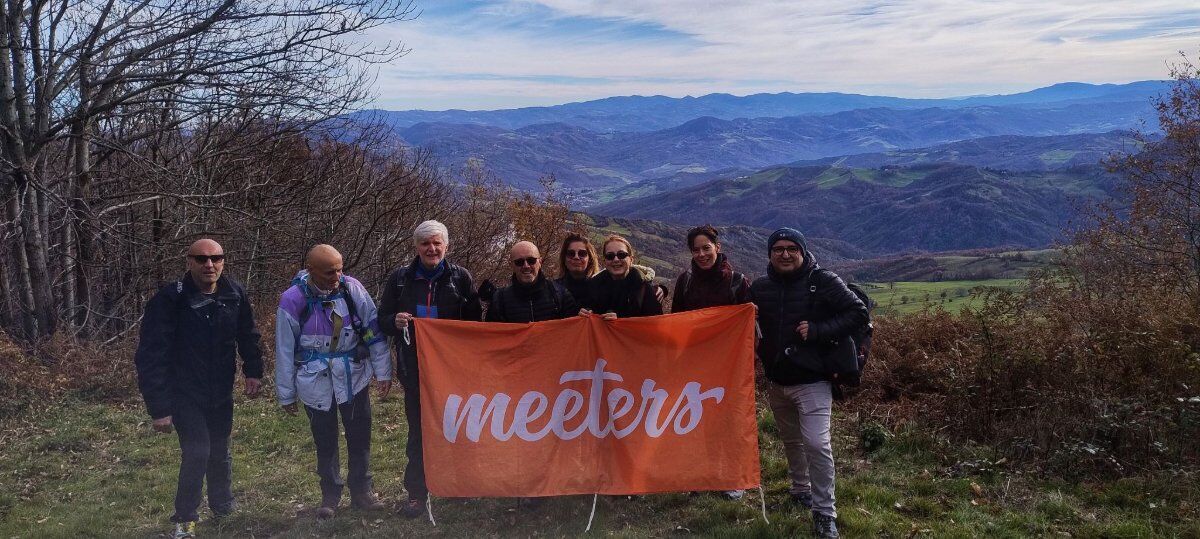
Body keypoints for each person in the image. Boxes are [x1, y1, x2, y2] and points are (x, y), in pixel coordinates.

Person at [134, 239, 263, 539]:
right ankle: (185, 520)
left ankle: (222, 506)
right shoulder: (169, 300)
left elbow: (248, 334)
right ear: (189, 262)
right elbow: (151, 355)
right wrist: (159, 408)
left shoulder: (234, 294)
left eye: (216, 258)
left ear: (223, 261)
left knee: (219, 449)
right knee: (197, 451)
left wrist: (253, 372)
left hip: (220, 391)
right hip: (184, 393)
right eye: (202, 259)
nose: (209, 265)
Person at [750, 228, 868, 539]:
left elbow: (858, 311)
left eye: (791, 248)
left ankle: (825, 513)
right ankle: (800, 489)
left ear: (803, 252)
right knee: (791, 441)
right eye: (778, 249)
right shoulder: (760, 288)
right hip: (777, 382)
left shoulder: (823, 281)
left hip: (813, 381)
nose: (785, 254)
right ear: (770, 254)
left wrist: (818, 330)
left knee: (817, 444)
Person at [275, 244, 392, 520]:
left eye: (340, 269)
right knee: (325, 440)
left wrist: (383, 372)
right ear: (311, 270)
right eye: (329, 272)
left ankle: (362, 490)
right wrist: (286, 394)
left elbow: (373, 329)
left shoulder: (352, 289)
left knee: (359, 436)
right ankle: (330, 494)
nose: (336, 276)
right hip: (315, 380)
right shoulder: (292, 300)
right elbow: (284, 348)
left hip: (354, 375)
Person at [378, 220, 483, 518]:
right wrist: (393, 322)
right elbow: (381, 318)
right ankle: (416, 493)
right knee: (419, 434)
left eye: (437, 243)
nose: (431, 248)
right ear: (416, 247)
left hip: (454, 373)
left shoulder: (460, 278)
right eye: (425, 243)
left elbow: (475, 323)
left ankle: (459, 486)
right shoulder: (400, 279)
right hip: (416, 373)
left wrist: (485, 301)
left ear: (446, 246)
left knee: (458, 429)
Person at [670, 225, 751, 500]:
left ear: (717, 247)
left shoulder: (738, 282)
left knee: (729, 419)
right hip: (695, 364)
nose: (702, 254)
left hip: (729, 365)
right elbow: (676, 321)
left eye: (707, 248)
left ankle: (731, 477)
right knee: (698, 419)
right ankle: (701, 475)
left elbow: (750, 328)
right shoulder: (685, 281)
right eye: (696, 249)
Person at [487, 241, 581, 323]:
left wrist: (585, 316)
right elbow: (491, 338)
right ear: (511, 265)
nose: (526, 266)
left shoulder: (561, 296)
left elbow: (576, 333)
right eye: (519, 262)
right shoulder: (499, 301)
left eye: (531, 260)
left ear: (540, 262)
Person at [587, 234, 663, 319]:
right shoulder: (593, 286)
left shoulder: (644, 289)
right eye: (610, 256)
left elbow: (655, 325)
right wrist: (586, 312)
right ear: (605, 261)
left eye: (621, 255)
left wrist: (620, 320)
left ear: (631, 259)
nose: (616, 259)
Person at [555, 232, 600, 310]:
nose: (576, 257)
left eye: (582, 253)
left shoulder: (601, 288)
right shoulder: (554, 289)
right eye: (571, 253)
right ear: (564, 259)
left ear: (590, 259)